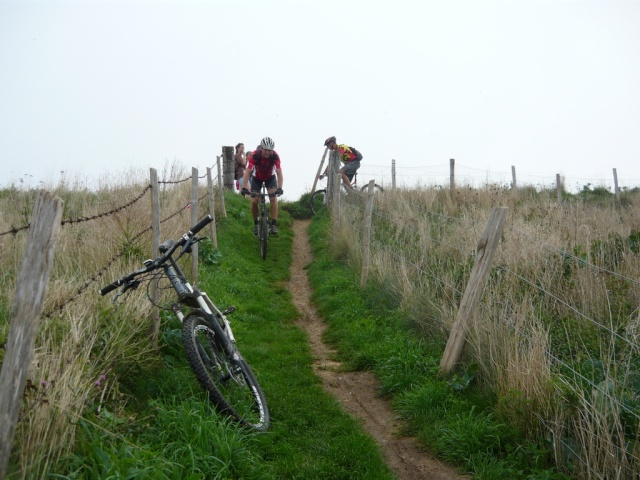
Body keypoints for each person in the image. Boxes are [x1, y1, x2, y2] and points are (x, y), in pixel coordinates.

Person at [241, 137, 283, 235]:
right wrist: (244, 187)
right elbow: (247, 172)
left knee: (273, 198)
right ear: (261, 148)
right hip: (257, 178)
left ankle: (273, 224)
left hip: (270, 177)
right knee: (254, 201)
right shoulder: (254, 155)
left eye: (269, 150)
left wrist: (280, 187)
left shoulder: (275, 156)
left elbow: (279, 173)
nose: (267, 152)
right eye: (265, 149)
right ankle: (256, 224)